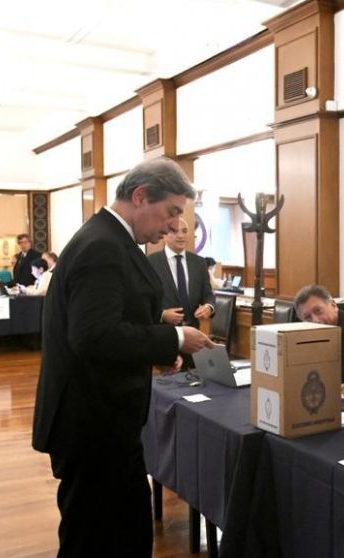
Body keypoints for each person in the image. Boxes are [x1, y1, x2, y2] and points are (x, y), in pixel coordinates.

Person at [32, 157, 216, 558]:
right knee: (94, 539)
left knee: (124, 532)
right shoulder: (102, 246)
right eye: (171, 212)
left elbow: (115, 322)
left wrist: (154, 351)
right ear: (139, 196)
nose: (173, 225)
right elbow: (95, 337)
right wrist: (171, 339)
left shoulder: (112, 241)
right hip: (92, 425)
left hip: (105, 420)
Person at [148, 217, 215, 328]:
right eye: (174, 231)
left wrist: (209, 307)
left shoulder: (199, 263)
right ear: (164, 235)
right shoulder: (151, 262)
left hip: (192, 331)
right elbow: (143, 300)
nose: (180, 235)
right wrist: (162, 314)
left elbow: (208, 294)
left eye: (184, 231)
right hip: (163, 332)